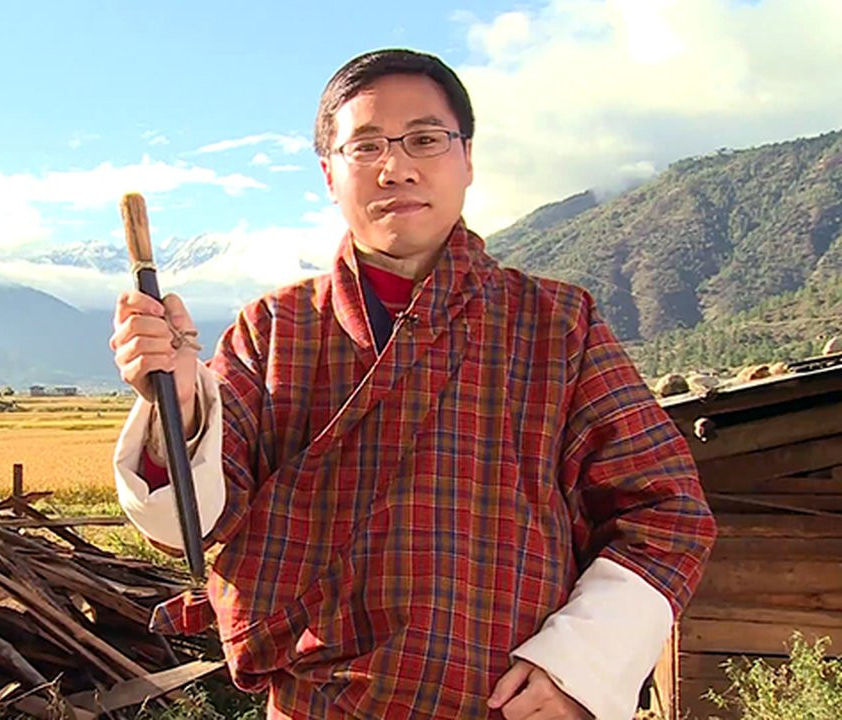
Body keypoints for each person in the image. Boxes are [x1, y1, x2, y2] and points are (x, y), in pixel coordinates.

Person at [109, 48, 715, 720]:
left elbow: (667, 514)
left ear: (467, 159)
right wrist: (179, 404)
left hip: (501, 705)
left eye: (425, 139)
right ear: (329, 174)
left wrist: (577, 667)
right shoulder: (272, 329)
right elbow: (195, 522)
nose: (395, 166)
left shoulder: (556, 324)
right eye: (364, 145)